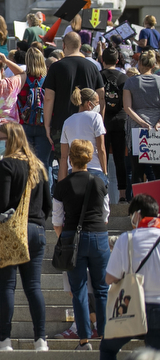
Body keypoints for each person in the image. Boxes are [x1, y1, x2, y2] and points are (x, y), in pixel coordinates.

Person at [0, 122, 51, 351]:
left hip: (11, 231)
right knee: (33, 287)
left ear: (11, 141)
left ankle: (5, 339)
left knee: (7, 287)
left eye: (0, 139)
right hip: (36, 230)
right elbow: (48, 204)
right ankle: (41, 339)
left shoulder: (6, 164)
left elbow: (2, 201)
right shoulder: (38, 165)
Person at [52, 139, 110, 350]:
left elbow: (57, 220)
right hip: (98, 237)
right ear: (90, 157)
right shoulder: (98, 182)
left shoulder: (62, 185)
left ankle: (84, 338)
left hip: (71, 238)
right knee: (102, 289)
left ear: (70, 159)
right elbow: (105, 215)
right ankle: (105, 335)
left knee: (79, 290)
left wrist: (65, 237)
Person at [99, 193, 160, 360]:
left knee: (107, 349)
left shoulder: (127, 239)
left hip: (131, 307)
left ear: (137, 215)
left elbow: (109, 278)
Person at [44, 32, 105, 161]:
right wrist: (100, 121)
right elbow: (101, 96)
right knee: (85, 161)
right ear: (80, 45)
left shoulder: (56, 67)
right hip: (88, 124)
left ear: (64, 45)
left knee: (63, 162)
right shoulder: (92, 67)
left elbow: (49, 98)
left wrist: (47, 125)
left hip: (61, 123)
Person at [17, 47, 52, 184]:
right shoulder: (48, 80)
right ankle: (45, 198)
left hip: (25, 125)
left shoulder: (22, 79)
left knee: (26, 164)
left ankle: (29, 197)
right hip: (44, 125)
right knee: (43, 164)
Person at [59, 87, 108, 186]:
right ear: (89, 104)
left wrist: (62, 181)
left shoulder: (67, 121)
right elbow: (101, 148)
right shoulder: (95, 117)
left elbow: (64, 156)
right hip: (94, 168)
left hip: (73, 170)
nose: (98, 105)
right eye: (97, 103)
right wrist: (105, 171)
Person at [125, 50, 160, 187]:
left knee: (137, 171)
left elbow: (127, 107)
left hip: (137, 129)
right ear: (153, 65)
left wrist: (141, 122)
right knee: (158, 171)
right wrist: (158, 123)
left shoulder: (130, 82)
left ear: (139, 64)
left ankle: (138, 206)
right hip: (157, 130)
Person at [101, 47, 128, 200]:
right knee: (119, 159)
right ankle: (123, 195)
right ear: (117, 61)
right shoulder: (124, 78)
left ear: (102, 60)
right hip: (120, 119)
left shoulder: (98, 76)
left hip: (103, 120)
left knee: (101, 156)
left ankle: (103, 191)